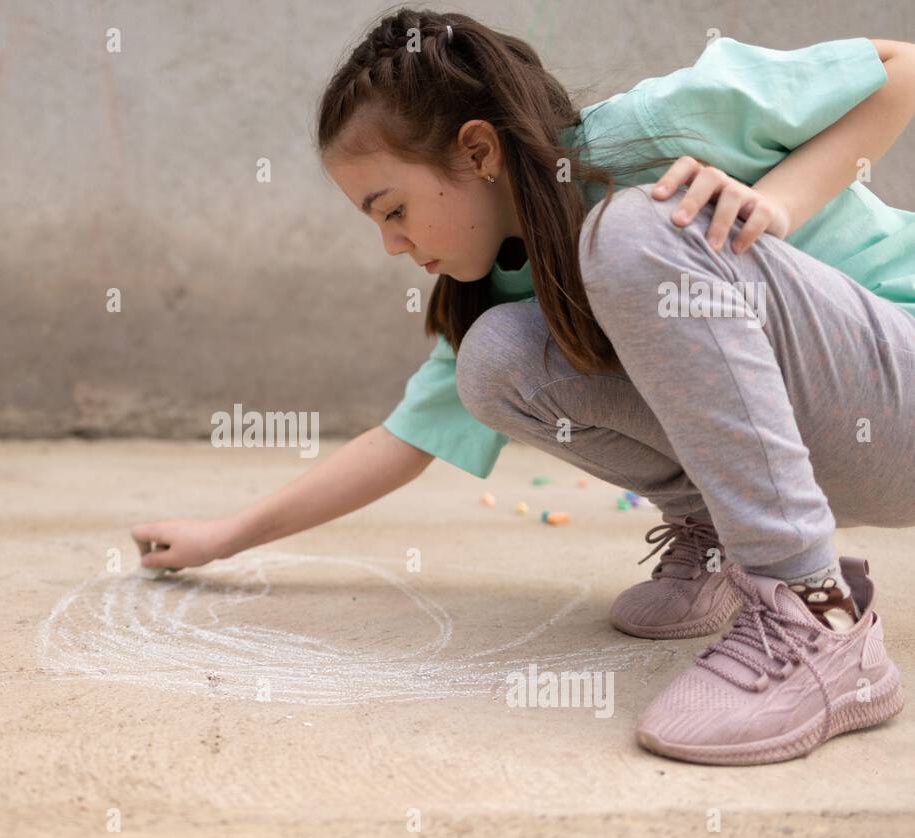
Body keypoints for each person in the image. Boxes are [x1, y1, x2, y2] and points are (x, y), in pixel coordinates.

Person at [133, 8, 915, 765]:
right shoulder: (503, 276)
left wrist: (778, 202)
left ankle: (816, 613)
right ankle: (721, 543)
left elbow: (896, 68)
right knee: (497, 359)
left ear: (478, 153)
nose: (390, 245)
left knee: (632, 231)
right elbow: (404, 439)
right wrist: (221, 539)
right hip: (846, 451)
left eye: (394, 209)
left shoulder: (645, 133)